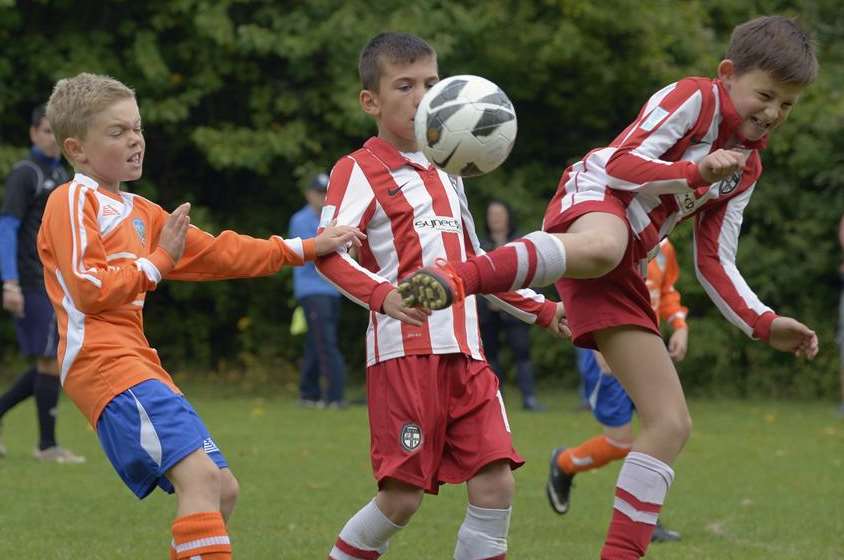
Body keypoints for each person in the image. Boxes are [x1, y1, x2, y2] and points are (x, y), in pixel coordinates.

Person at [399, 16, 819, 559]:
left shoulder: (747, 168)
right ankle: (458, 276)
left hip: (625, 266)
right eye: (766, 95)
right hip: (596, 197)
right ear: (727, 74)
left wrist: (765, 323)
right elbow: (619, 163)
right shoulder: (695, 98)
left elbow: (715, 261)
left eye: (788, 105)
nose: (773, 112)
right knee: (604, 244)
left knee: (670, 423)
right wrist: (694, 174)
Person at [37, 72, 363, 560]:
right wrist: (159, 262)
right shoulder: (72, 199)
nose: (135, 140)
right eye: (117, 131)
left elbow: (221, 254)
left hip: (137, 363)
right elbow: (88, 289)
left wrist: (309, 247)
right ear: (77, 149)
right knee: (203, 481)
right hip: (104, 364)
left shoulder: (142, 211)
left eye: (138, 128)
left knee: (222, 488)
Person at [315, 32, 565, 560]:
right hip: (404, 358)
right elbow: (329, 255)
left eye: (431, 83)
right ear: (371, 101)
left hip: (467, 358)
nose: (422, 95)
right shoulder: (357, 170)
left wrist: (546, 310)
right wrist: (383, 296)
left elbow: (480, 266)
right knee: (402, 499)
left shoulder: (450, 171)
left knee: (496, 484)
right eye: (404, 85)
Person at [547, 239, 689, 544]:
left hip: (647, 348)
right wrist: (600, 345)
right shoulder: (612, 236)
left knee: (665, 431)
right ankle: (565, 464)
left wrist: (679, 325)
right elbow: (582, 285)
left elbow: (666, 292)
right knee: (619, 441)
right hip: (606, 346)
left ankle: (646, 520)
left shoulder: (664, 248)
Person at [0, 104, 84, 463]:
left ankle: (42, 441)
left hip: (56, 281)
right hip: (30, 280)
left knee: (50, 360)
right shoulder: (26, 173)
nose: (51, 138)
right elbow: (7, 227)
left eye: (57, 131)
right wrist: (9, 283)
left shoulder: (64, 175)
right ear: (34, 133)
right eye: (45, 131)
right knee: (51, 359)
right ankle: (47, 446)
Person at [478, 200, 544, 411]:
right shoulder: (479, 245)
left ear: (507, 216)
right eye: (492, 214)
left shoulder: (520, 243)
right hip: (487, 311)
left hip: (516, 311)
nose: (495, 218)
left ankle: (529, 398)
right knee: (490, 354)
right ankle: (496, 397)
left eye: (499, 214)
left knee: (522, 352)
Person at [289, 171, 348, 408]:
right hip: (312, 289)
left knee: (316, 342)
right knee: (326, 343)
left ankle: (308, 394)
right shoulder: (300, 220)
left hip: (333, 289)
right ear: (308, 194)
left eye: (326, 193)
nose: (322, 198)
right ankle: (335, 396)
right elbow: (311, 253)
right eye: (318, 193)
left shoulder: (333, 219)